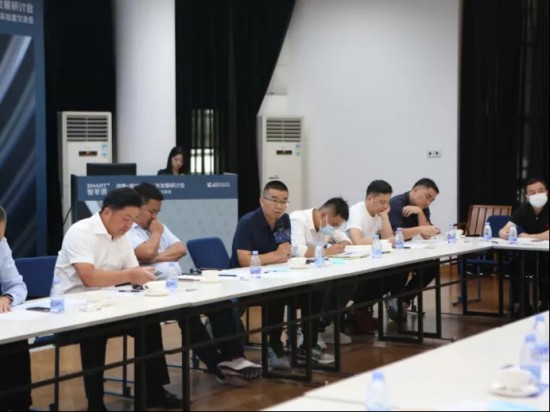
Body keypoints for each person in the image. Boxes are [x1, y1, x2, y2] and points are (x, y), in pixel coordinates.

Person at [54, 188, 181, 411]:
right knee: (95, 331)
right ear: (107, 212)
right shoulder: (80, 232)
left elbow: (134, 271)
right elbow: (89, 277)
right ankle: (95, 402)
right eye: (125, 218)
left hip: (108, 303)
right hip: (74, 307)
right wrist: (131, 275)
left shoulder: (122, 236)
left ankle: (152, 392)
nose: (129, 225)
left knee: (149, 323)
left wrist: (147, 280)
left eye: (133, 219)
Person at [130, 182, 261, 385]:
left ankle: (235, 357)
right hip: (149, 292)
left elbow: (180, 249)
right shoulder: (131, 229)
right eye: (151, 211)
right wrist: (155, 238)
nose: (155, 217)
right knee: (188, 315)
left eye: (158, 212)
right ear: (136, 208)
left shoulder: (157, 225)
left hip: (175, 284)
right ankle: (217, 365)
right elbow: (146, 252)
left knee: (219, 301)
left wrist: (154, 257)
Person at [230, 180, 334, 369]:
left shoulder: (284, 220)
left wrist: (278, 257)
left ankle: (308, 346)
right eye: (274, 200)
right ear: (262, 200)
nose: (279, 206)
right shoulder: (248, 222)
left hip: (275, 276)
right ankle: (274, 346)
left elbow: (285, 253)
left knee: (314, 292)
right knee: (275, 295)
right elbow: (244, 259)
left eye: (284, 201)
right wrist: (274, 256)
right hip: (246, 282)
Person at [290, 197, 353, 345]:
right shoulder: (298, 220)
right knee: (323, 286)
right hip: (298, 273)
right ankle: (308, 330)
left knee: (350, 280)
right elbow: (298, 251)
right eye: (334, 224)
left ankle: (324, 325)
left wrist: (340, 245)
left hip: (319, 270)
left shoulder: (327, 225)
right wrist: (327, 251)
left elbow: (346, 240)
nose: (334, 228)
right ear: (323, 215)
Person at [387, 178, 441, 322]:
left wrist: (420, 213)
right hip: (390, 251)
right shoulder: (396, 203)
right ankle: (395, 299)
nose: (428, 202)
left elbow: (427, 235)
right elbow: (396, 235)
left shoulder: (422, 208)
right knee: (403, 265)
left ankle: (403, 300)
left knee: (432, 266)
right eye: (427, 197)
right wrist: (421, 229)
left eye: (432, 200)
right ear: (416, 190)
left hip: (405, 250)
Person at [346, 180, 394, 333]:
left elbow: (388, 238)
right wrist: (384, 242)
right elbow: (357, 241)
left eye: (387, 202)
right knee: (378, 279)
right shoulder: (356, 212)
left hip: (368, 261)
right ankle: (355, 310)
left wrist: (385, 216)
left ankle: (358, 310)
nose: (385, 206)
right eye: (382, 202)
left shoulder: (379, 214)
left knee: (392, 276)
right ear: (369, 198)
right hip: (350, 263)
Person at [499, 178, 549, 316]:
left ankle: (545, 304)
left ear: (546, 192)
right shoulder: (523, 209)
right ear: (527, 196)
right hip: (529, 254)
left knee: (545, 268)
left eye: (540, 191)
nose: (537, 194)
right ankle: (523, 305)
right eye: (532, 192)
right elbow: (506, 229)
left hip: (547, 255)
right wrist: (504, 233)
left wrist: (527, 236)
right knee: (515, 266)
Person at [0, 205, 33, 411]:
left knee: (16, 339)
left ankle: (19, 404)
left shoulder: (1, 244)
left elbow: (17, 285)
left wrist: (8, 297)